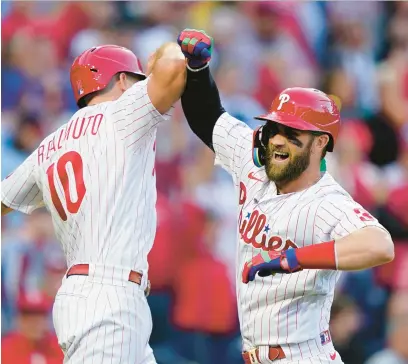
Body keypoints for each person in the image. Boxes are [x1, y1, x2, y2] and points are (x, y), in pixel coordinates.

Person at [177, 29, 395, 364]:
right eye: (274, 128)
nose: (278, 140)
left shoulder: (326, 199)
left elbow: (380, 245)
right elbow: (207, 116)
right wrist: (197, 69)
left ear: (320, 142)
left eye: (292, 134)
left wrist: (294, 258)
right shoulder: (254, 162)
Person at [1, 42, 186, 363]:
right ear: (121, 81)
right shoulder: (122, 114)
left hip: (87, 293)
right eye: (137, 79)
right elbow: (174, 67)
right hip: (110, 296)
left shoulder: (50, 143)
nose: (143, 87)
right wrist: (169, 48)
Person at [1, 291, 63, 364]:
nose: (34, 323)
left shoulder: (61, 347)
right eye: (28, 316)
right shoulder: (5, 348)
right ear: (18, 320)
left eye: (39, 316)